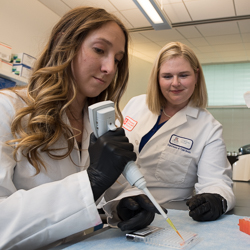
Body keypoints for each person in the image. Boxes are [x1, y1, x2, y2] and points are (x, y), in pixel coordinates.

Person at [0, 7, 162, 249]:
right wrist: (89, 183)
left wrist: (126, 203)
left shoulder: (98, 120)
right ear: (64, 43)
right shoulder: (8, 109)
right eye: (99, 50)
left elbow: (114, 187)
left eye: (117, 60)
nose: (110, 68)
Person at [120, 41, 235, 222]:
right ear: (157, 78)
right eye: (167, 76)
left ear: (196, 76)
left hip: (163, 217)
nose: (175, 83)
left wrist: (216, 199)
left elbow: (216, 181)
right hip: (114, 207)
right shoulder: (135, 104)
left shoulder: (208, 128)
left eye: (183, 75)